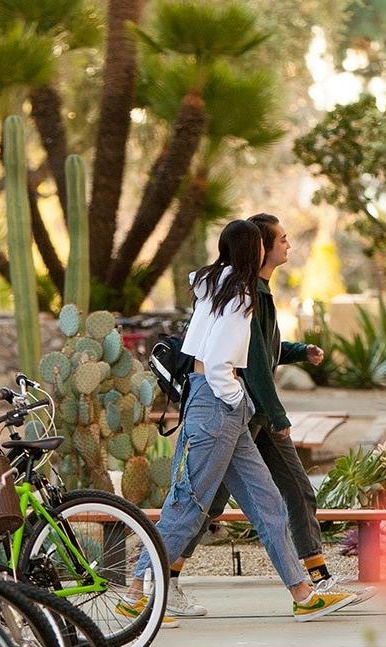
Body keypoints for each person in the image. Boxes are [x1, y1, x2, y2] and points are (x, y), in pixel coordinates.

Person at [122, 220, 357, 622]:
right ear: (256, 252)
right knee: (189, 505)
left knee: (268, 505)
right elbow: (216, 364)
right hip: (218, 406)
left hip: (218, 407)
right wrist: (235, 399)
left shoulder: (217, 284)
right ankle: (136, 591)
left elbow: (204, 348)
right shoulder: (241, 297)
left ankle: (303, 594)